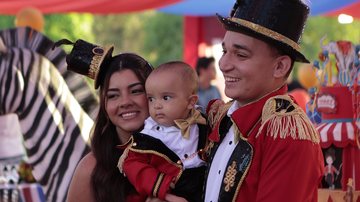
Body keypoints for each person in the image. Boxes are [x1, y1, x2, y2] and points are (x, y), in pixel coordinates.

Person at [204, 0, 324, 201]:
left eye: (241, 55)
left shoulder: (287, 134)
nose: (223, 64)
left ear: (280, 67)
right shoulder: (220, 116)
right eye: (225, 51)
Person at [58, 39, 155, 202]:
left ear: (153, 95)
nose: (125, 102)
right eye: (113, 95)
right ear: (105, 105)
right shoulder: (90, 170)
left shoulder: (185, 150)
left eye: (136, 91)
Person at [118, 61, 208, 202]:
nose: (157, 105)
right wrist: (161, 187)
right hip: (169, 191)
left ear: (191, 102)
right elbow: (132, 166)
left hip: (203, 188)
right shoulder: (148, 137)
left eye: (166, 97)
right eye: (151, 99)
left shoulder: (203, 124)